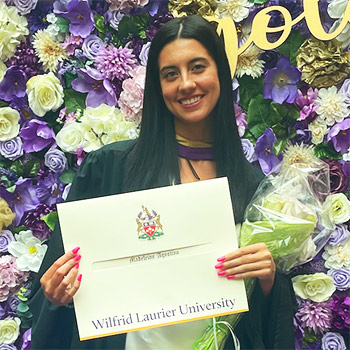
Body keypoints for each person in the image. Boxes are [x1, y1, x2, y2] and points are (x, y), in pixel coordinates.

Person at [29, 15, 296, 349]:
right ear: (158, 88)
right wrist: (58, 293)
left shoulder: (250, 183)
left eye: (198, 67)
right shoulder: (110, 168)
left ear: (220, 74)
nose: (186, 84)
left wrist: (267, 278)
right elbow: (60, 283)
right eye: (171, 74)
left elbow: (263, 319)